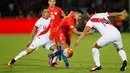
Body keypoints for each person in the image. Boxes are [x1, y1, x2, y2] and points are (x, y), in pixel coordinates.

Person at [74, 7, 127, 71]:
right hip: (117, 33)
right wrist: (120, 13)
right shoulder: (101, 14)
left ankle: (97, 65)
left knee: (94, 47)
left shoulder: (90, 21)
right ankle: (124, 60)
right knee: (119, 49)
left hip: (108, 35)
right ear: (95, 11)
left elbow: (84, 32)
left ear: (88, 14)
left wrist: (78, 40)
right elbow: (111, 14)